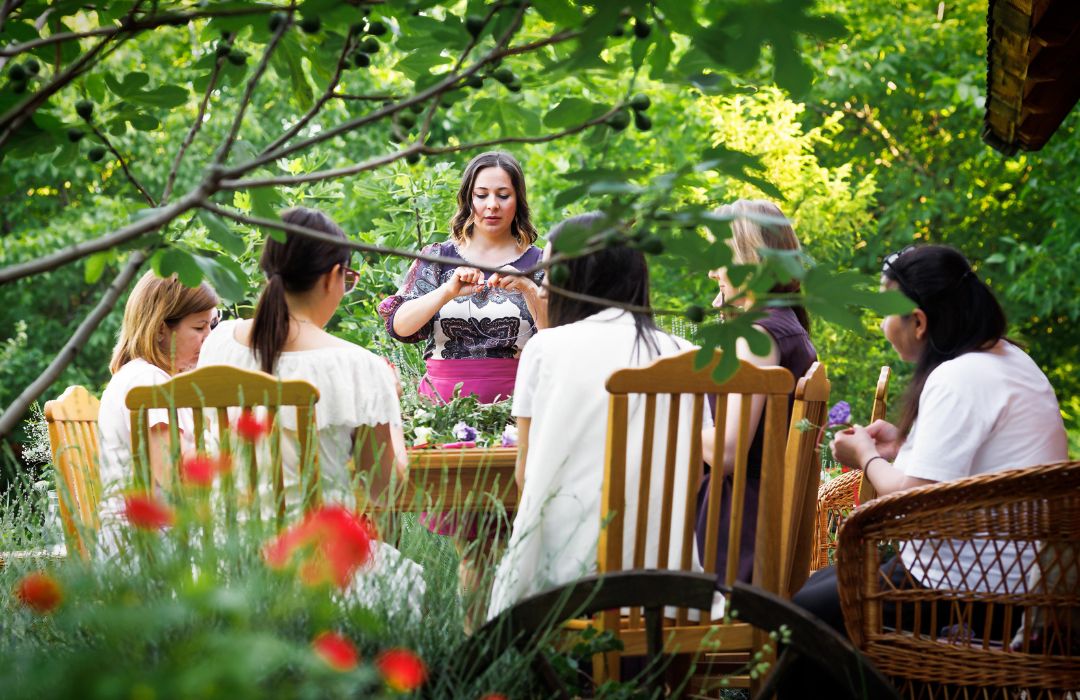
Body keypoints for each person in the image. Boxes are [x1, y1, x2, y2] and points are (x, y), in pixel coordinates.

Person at [780, 245, 1068, 697]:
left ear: (918, 320)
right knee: (821, 584)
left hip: (975, 593)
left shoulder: (959, 377)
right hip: (1016, 580)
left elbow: (910, 500)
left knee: (804, 617)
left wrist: (866, 458)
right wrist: (900, 445)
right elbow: (961, 468)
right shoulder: (1006, 360)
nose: (880, 324)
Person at [487, 213, 708, 617]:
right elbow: (692, 478)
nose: (545, 285)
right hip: (665, 581)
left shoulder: (546, 349)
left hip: (563, 579)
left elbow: (526, 474)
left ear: (580, 279)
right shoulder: (684, 355)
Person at [198, 207, 407, 510]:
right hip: (321, 552)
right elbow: (385, 492)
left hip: (226, 551)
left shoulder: (218, 342)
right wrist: (389, 407)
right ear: (332, 276)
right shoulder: (360, 367)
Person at [695, 199, 817, 583]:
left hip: (733, 533)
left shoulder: (760, 336)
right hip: (752, 521)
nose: (714, 271)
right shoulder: (784, 323)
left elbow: (729, 452)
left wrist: (674, 422)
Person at [377, 150, 545, 404]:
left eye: (503, 195)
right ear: (468, 199)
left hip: (519, 408)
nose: (492, 205)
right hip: (439, 414)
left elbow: (558, 340)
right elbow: (399, 327)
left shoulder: (540, 264)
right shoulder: (438, 257)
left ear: (518, 200)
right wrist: (446, 291)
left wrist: (528, 288)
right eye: (481, 195)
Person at [98, 270, 220, 499]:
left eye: (212, 326)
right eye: (199, 327)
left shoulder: (151, 377)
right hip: (148, 532)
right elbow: (175, 476)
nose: (209, 337)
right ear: (161, 329)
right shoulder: (147, 381)